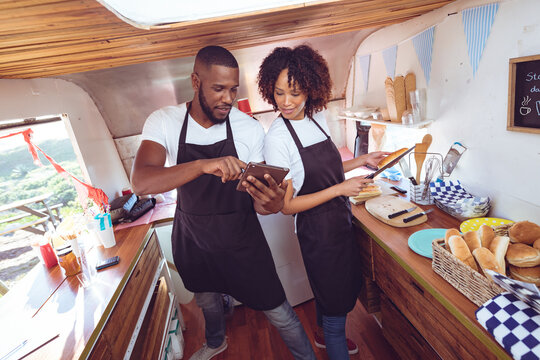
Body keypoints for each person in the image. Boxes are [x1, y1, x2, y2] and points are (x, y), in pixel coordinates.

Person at [131, 45, 315, 360]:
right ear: (195, 81)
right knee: (206, 299)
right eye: (218, 88)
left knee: (278, 309)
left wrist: (270, 202)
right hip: (194, 238)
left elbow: (262, 206)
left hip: (242, 240)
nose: (228, 99)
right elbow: (142, 182)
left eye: (233, 90)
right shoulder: (165, 121)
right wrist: (203, 165)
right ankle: (216, 342)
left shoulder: (248, 128)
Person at [257, 45, 389, 359]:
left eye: (295, 93)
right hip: (317, 231)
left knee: (333, 292)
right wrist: (341, 189)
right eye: (278, 94)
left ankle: (322, 336)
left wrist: (362, 160)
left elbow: (326, 170)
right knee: (335, 307)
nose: (286, 103)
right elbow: (287, 206)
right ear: (268, 91)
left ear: (311, 90)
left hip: (339, 220)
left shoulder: (318, 117)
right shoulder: (276, 138)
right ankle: (332, 341)